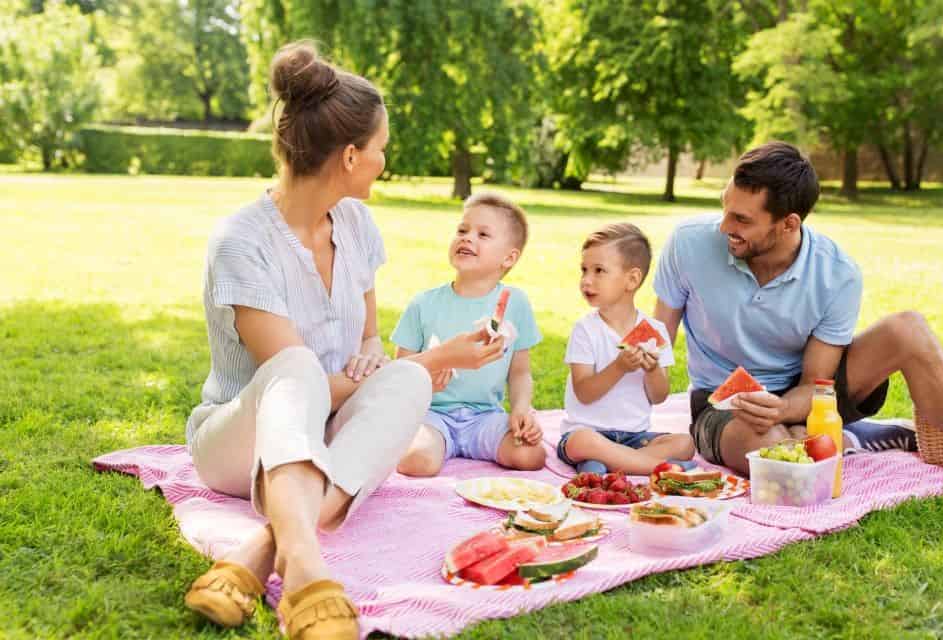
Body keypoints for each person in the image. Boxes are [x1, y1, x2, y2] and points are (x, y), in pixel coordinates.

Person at [181, 42, 504, 640]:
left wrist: (389, 363)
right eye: (381, 149)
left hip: (324, 433)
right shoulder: (241, 242)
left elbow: (369, 337)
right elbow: (289, 390)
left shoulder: (356, 225)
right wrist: (436, 358)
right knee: (303, 366)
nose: (386, 160)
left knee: (407, 379)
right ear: (352, 156)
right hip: (240, 442)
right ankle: (304, 566)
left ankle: (264, 547)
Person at [653, 141, 943, 531]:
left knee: (908, 327)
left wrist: (786, 407)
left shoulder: (836, 273)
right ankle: (853, 438)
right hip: (721, 403)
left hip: (808, 394)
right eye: (724, 207)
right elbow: (655, 342)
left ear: (789, 223)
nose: (724, 226)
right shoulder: (688, 244)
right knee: (781, 464)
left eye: (742, 219)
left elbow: (818, 383)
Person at [390, 192, 547, 475]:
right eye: (462, 230)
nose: (467, 238)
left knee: (531, 455)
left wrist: (522, 409)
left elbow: (520, 372)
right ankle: (429, 445)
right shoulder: (423, 304)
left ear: (509, 258)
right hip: (432, 415)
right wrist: (429, 372)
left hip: (485, 417)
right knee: (418, 461)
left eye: (483, 234)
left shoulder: (517, 303)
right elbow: (399, 371)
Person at [555, 223, 695, 475]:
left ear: (632, 279)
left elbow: (659, 396)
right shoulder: (585, 330)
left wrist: (653, 370)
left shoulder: (654, 330)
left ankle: (611, 464)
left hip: (634, 437)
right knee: (582, 442)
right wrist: (619, 367)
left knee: (685, 443)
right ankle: (659, 468)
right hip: (588, 433)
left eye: (599, 271)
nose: (586, 280)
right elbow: (584, 393)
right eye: (584, 270)